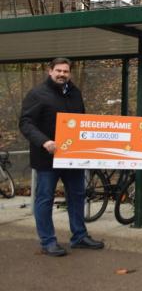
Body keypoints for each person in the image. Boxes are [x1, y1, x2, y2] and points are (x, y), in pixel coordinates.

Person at [19, 58, 105, 257]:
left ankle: (79, 237)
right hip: (47, 158)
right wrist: (44, 141)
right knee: (45, 199)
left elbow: (83, 122)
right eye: (58, 70)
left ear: (70, 74)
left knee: (77, 196)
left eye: (65, 71)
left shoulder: (75, 93)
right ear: (50, 71)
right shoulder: (37, 94)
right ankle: (48, 241)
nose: (62, 74)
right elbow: (25, 123)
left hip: (73, 157)